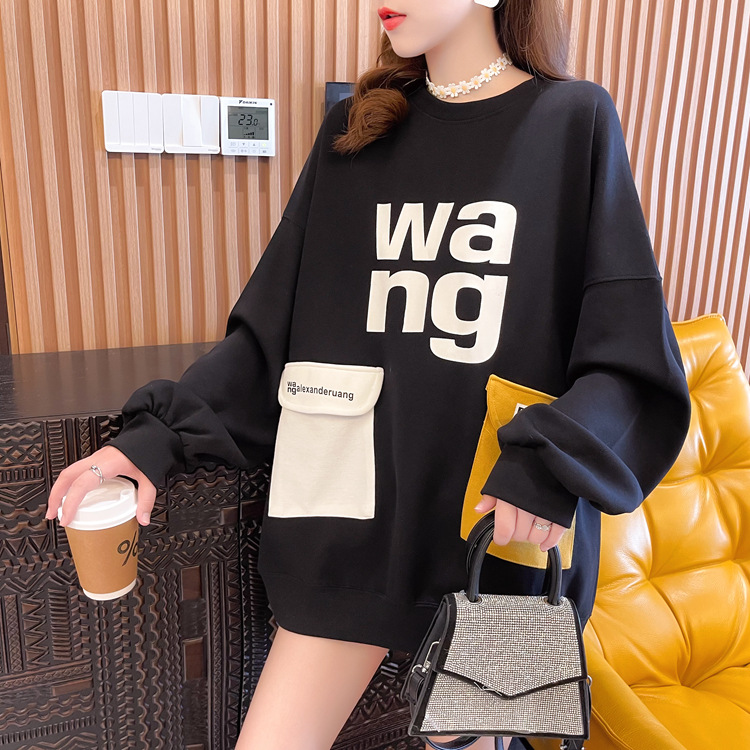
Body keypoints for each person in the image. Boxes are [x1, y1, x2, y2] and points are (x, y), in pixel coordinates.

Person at [45, 1, 693, 749]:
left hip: (494, 537)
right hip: (348, 533)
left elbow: (628, 350)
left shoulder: (573, 121)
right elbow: (271, 334)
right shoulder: (356, 131)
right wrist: (149, 441)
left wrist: (553, 466)